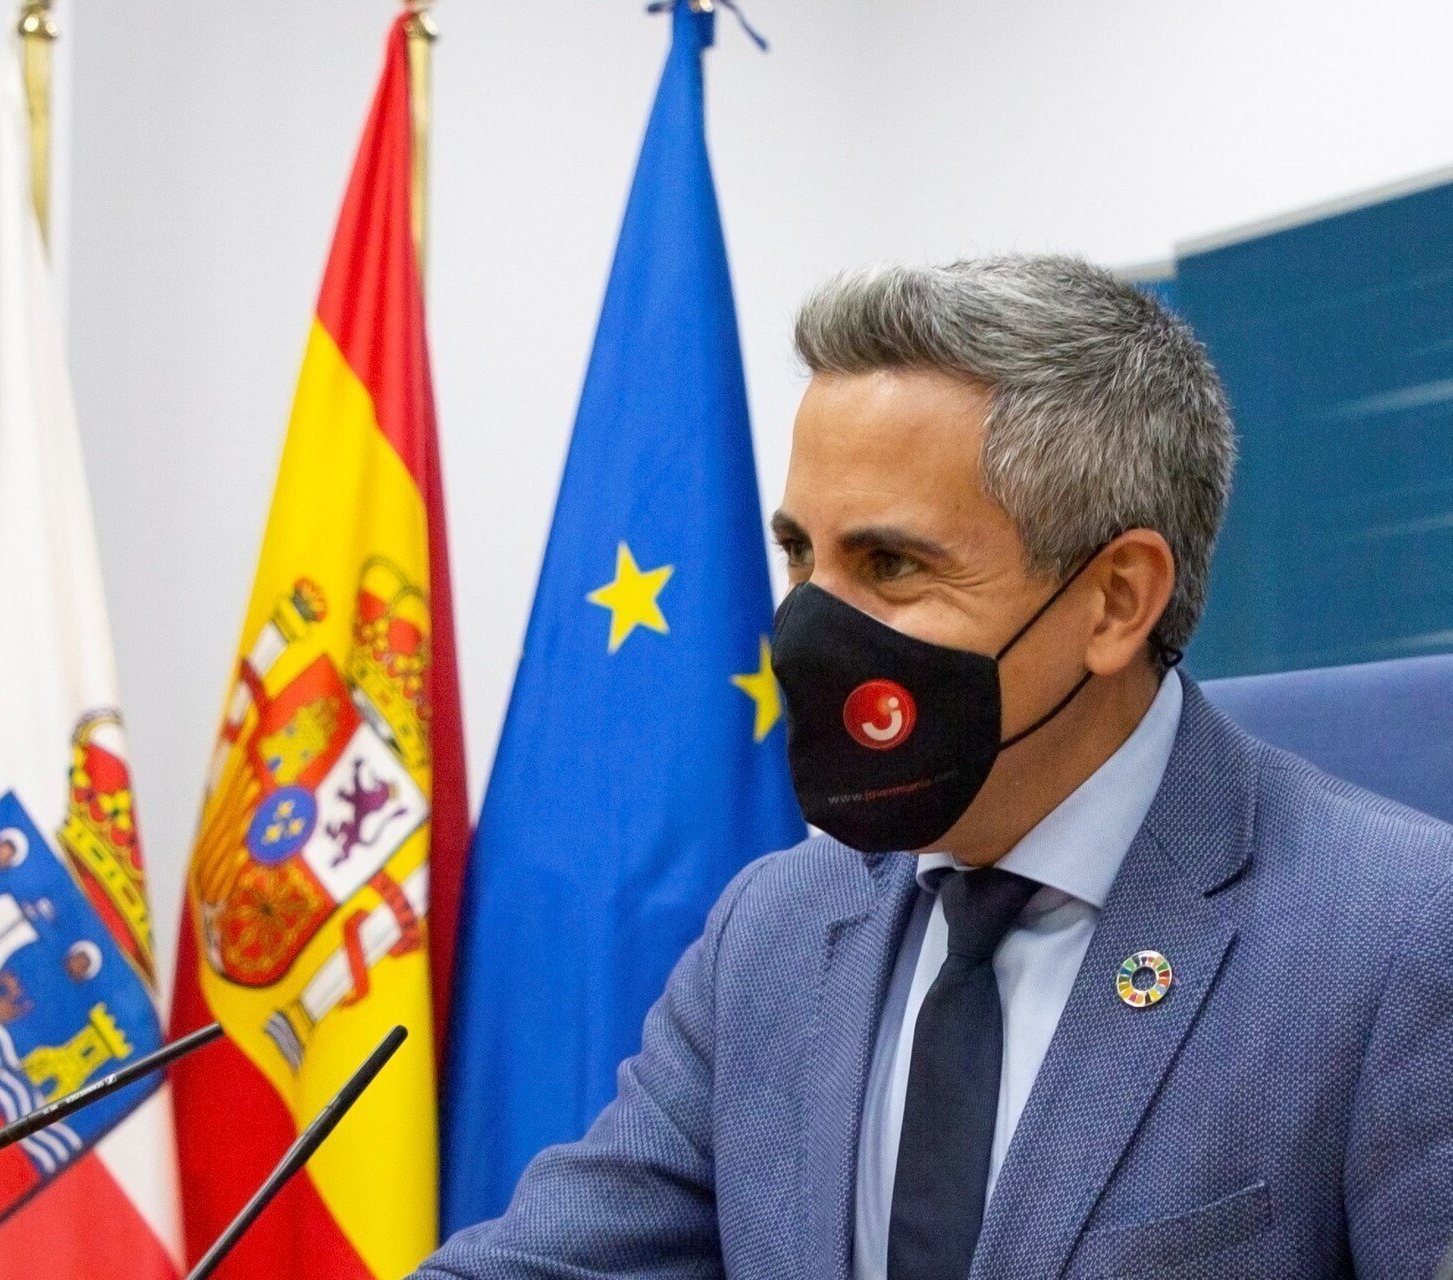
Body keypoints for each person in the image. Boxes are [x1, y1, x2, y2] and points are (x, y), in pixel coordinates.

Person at [417, 256, 1453, 1279]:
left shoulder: (1395, 938)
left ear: (1116, 600)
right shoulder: (771, 933)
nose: (806, 629)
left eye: (892, 565)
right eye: (799, 555)